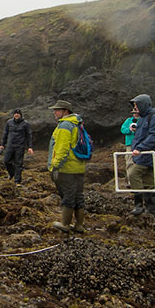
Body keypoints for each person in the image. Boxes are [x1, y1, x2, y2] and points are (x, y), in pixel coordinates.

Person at [46, 99, 87, 233]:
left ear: (65, 111)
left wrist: (55, 166)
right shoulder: (77, 123)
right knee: (78, 195)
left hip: (67, 168)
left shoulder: (65, 125)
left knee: (68, 196)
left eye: (57, 110)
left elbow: (62, 148)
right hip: (79, 166)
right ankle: (79, 225)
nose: (54, 112)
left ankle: (65, 224)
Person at [126, 93, 155, 217]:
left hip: (148, 154)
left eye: (136, 105)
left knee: (133, 174)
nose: (135, 108)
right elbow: (140, 136)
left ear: (143, 104)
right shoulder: (143, 117)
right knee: (149, 181)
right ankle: (151, 208)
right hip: (142, 155)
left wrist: (140, 148)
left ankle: (139, 206)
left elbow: (154, 135)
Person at [0, 108, 33, 183]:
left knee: (18, 164)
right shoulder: (9, 122)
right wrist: (2, 144)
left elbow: (29, 135)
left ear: (20, 115)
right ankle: (12, 173)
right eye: (15, 113)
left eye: (18, 114)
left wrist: (29, 147)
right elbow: (5, 134)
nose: (16, 115)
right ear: (13, 115)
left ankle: (17, 181)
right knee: (6, 161)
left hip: (20, 146)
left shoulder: (25, 123)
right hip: (10, 145)